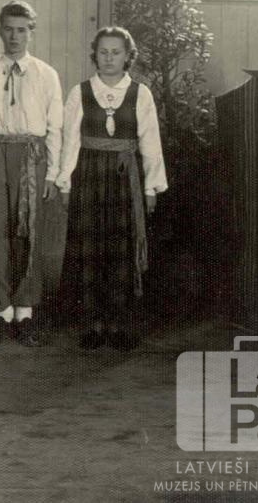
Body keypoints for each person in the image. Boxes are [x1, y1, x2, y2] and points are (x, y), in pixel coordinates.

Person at [56, 26, 167, 350]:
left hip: (124, 178)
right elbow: (69, 142)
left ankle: (120, 325)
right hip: (88, 177)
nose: (109, 58)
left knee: (121, 250)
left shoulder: (140, 94)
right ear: (95, 55)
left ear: (128, 56)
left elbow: (151, 144)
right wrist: (65, 181)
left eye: (116, 52)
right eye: (103, 52)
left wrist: (151, 188)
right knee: (90, 248)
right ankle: (93, 324)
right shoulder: (79, 93)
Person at [0, 1, 63, 346]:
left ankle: (25, 312)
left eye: (21, 30)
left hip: (32, 157)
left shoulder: (46, 74)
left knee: (29, 233)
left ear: (31, 32)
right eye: (8, 29)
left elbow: (55, 127)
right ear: (0, 30)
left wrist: (52, 174)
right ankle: (2, 312)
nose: (14, 37)